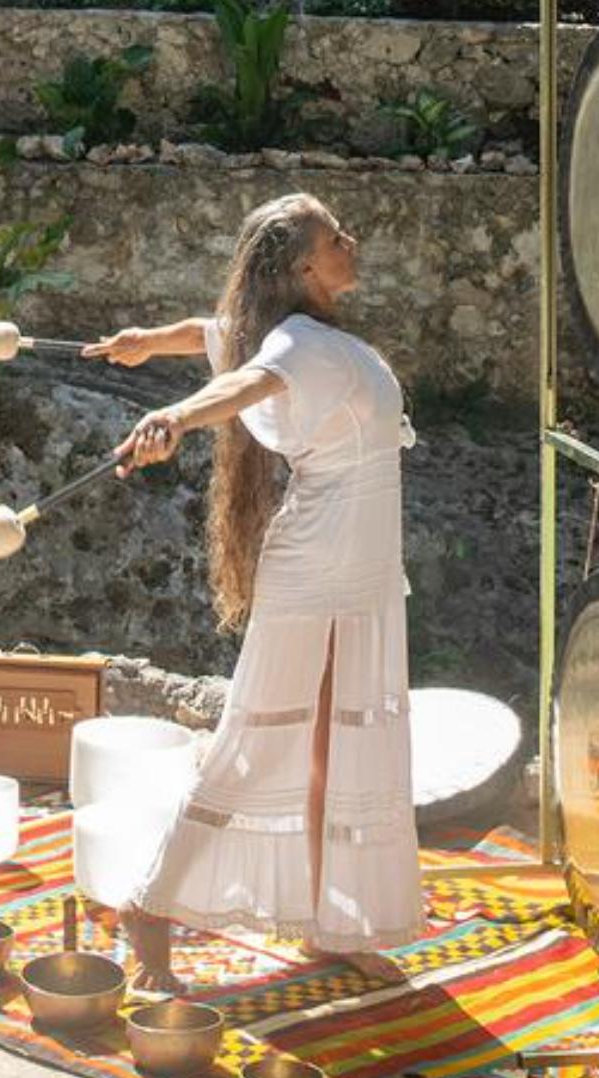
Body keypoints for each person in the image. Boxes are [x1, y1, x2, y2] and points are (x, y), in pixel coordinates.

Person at [81, 192, 421, 994]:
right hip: (318, 568)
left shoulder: (300, 335)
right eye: (338, 236)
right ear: (306, 268)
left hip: (360, 570)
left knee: (331, 751)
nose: (353, 239)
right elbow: (237, 386)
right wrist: (173, 415)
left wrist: (147, 343)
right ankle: (151, 910)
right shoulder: (300, 345)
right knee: (258, 739)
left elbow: (215, 338)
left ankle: (329, 922)